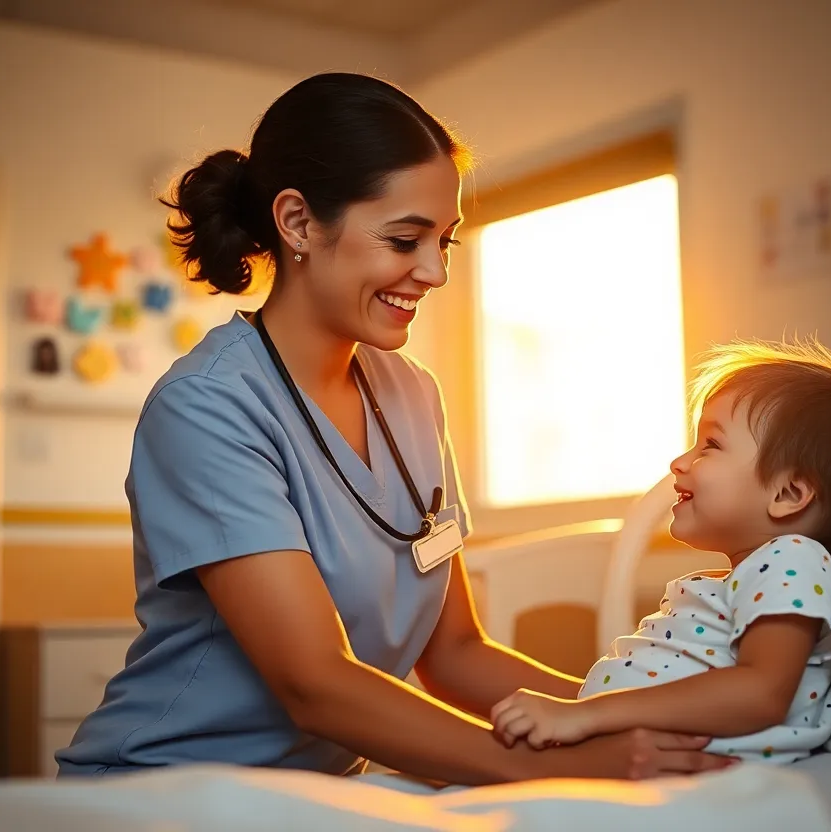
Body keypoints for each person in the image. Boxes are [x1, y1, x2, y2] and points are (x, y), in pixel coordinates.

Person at [55, 72, 735, 785]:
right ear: (297, 224)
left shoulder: (411, 395)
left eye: (446, 241)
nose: (434, 272)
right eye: (405, 239)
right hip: (167, 787)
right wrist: (578, 765)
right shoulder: (206, 407)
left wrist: (641, 715)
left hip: (313, 793)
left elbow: (455, 656)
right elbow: (313, 684)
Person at [491, 340, 831, 765]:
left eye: (711, 445)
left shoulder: (792, 559)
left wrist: (584, 714)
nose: (680, 463)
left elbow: (762, 692)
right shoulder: (761, 573)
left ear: (789, 493)